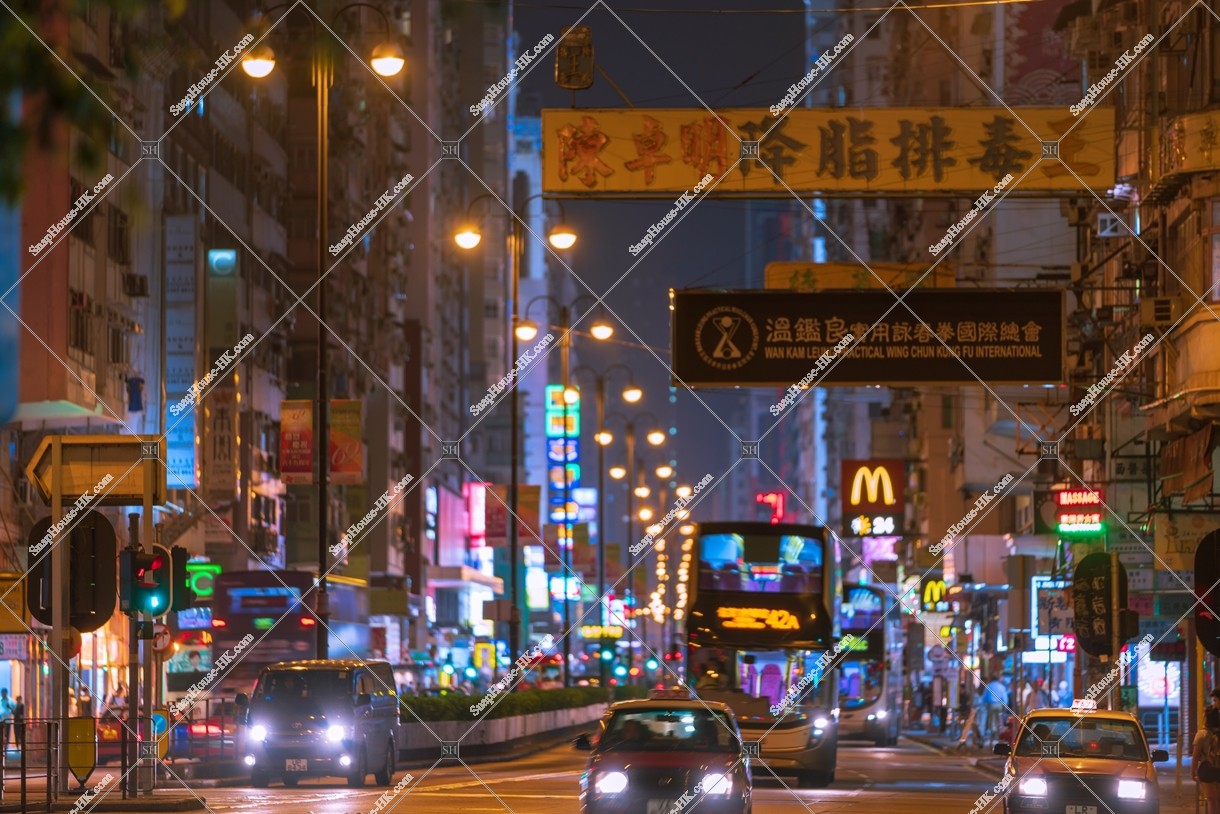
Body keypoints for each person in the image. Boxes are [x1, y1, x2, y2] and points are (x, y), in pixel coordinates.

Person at [1194, 707, 1220, 814]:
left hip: (1207, 770)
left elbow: (1195, 756)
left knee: (1211, 800)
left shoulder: (1201, 734)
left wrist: (1193, 772)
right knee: (1218, 800)